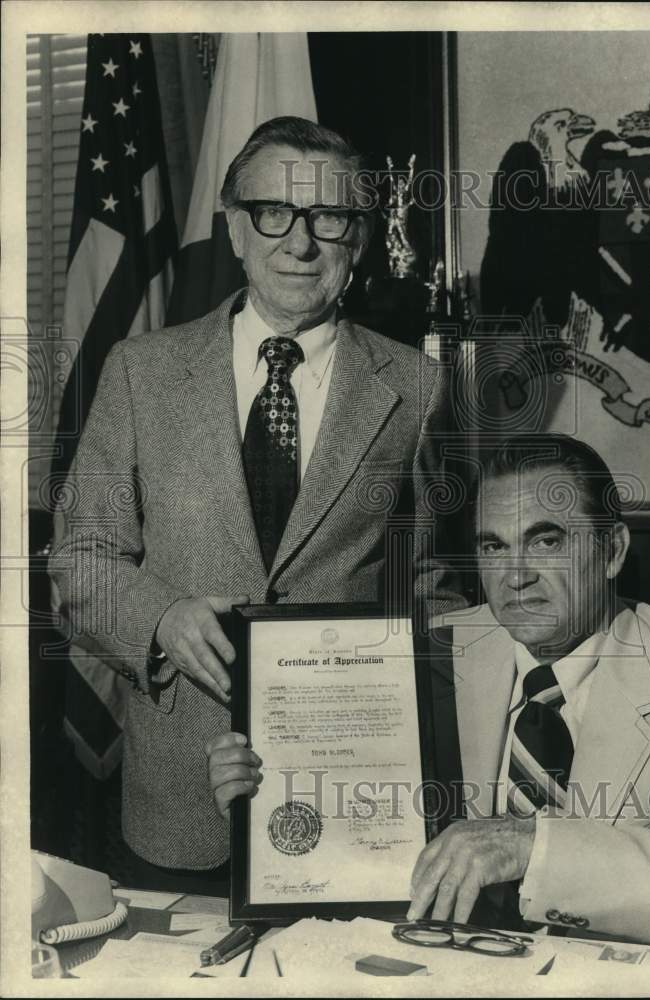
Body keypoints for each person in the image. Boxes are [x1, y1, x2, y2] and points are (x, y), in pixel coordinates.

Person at [50, 116, 465, 884]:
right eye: (273, 213)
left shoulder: (418, 387)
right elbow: (81, 562)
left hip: (350, 800)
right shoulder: (141, 372)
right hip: (178, 803)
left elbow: (426, 584)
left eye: (328, 218)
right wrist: (162, 619)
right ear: (236, 229)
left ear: (359, 239)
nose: (299, 244)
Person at [210, 433, 650, 951]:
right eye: (494, 547)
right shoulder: (426, 653)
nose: (515, 575)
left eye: (546, 540)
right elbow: (364, 836)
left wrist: (531, 845)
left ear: (613, 550)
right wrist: (269, 792)